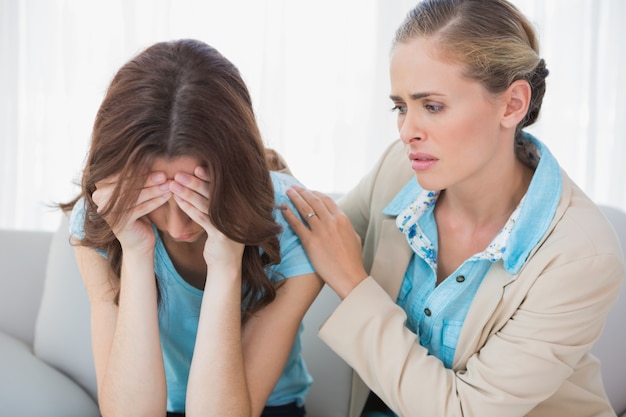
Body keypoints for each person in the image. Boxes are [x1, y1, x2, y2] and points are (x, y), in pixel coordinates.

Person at [283, 0, 625, 416]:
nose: (408, 131)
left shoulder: (581, 255)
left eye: (432, 106)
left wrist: (353, 284)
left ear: (513, 104)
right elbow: (302, 238)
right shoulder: (398, 170)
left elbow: (465, 411)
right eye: (400, 107)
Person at [62, 39, 322, 417]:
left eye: (197, 195)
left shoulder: (293, 219)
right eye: (153, 198)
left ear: (238, 172)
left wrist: (226, 261)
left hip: (259, 406)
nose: (178, 223)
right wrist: (136, 253)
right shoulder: (101, 219)